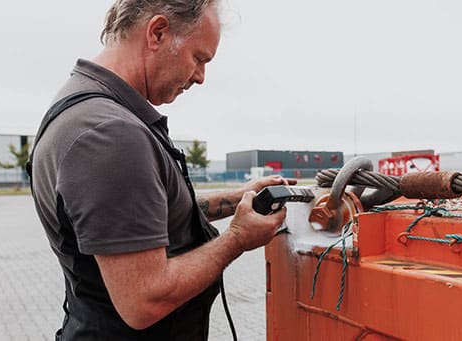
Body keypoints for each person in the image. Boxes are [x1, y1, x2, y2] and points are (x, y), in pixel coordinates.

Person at [30, 1, 294, 339]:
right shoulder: (109, 135)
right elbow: (145, 300)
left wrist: (240, 198)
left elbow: (141, 222)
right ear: (157, 32)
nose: (200, 77)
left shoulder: (82, 105)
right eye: (199, 58)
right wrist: (237, 239)